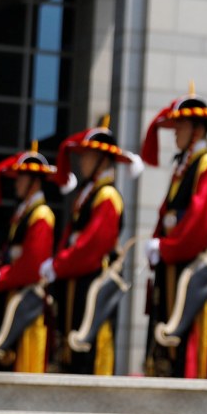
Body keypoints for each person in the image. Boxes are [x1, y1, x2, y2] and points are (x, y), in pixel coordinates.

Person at [141, 89, 207, 380]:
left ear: (196, 130)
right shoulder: (184, 166)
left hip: (189, 265)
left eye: (180, 127)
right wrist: (159, 243)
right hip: (173, 262)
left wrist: (167, 246)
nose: (175, 134)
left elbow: (199, 219)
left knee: (189, 341)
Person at [50, 119, 138, 375]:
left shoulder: (107, 196)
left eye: (88, 156)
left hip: (92, 281)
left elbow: (92, 246)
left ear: (102, 159)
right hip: (77, 281)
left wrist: (59, 264)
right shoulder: (89, 193)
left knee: (89, 348)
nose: (82, 162)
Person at [0, 149, 65, 373]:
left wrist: (3, 278)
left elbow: (32, 266)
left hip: (29, 302)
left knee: (25, 363)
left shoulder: (41, 215)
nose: (17, 183)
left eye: (22, 178)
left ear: (34, 181)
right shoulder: (24, 213)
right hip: (14, 295)